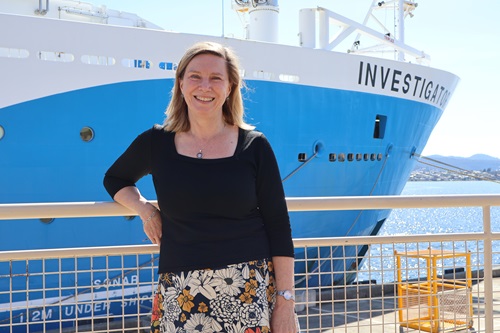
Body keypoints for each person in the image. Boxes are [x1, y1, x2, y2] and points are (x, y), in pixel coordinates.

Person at [103, 41, 297, 333]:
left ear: (230, 87)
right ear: (181, 83)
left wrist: (285, 302)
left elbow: (279, 227)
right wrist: (145, 210)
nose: (204, 86)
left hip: (247, 288)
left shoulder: (254, 146)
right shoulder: (156, 142)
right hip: (179, 289)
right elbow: (115, 179)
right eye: (195, 76)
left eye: (216, 78)